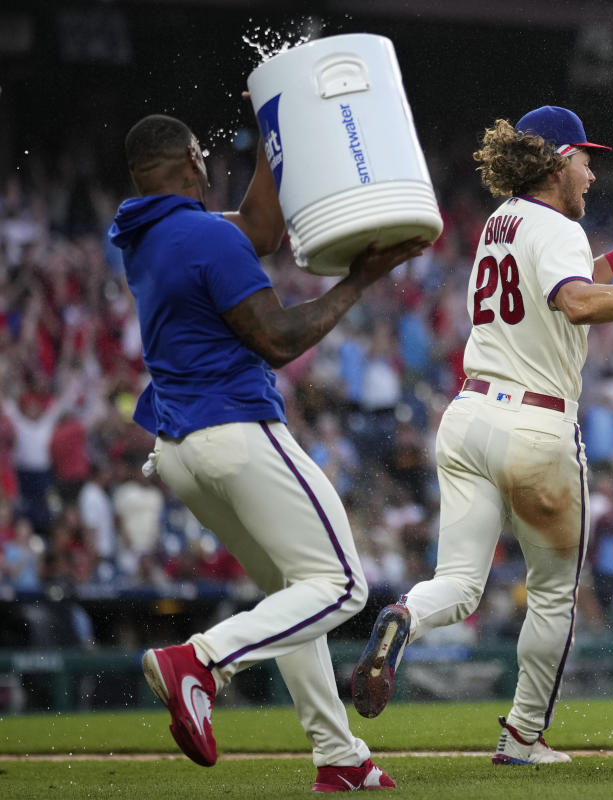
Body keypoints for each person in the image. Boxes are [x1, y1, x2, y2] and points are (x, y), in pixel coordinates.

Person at [349, 105, 613, 765]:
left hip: (470, 415)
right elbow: (578, 302)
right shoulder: (556, 226)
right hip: (535, 424)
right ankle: (523, 737)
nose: (592, 172)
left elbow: (561, 289)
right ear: (558, 161)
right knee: (556, 591)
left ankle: (405, 619)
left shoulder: (500, 225)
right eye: (585, 158)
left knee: (459, 583)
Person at [109, 112, 428, 791]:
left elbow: (257, 229)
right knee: (342, 586)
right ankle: (201, 661)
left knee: (297, 591)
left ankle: (339, 756)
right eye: (205, 154)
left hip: (177, 448)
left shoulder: (143, 230)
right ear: (192, 160)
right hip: (234, 430)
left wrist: (277, 126)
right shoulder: (201, 234)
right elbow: (279, 339)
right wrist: (360, 281)